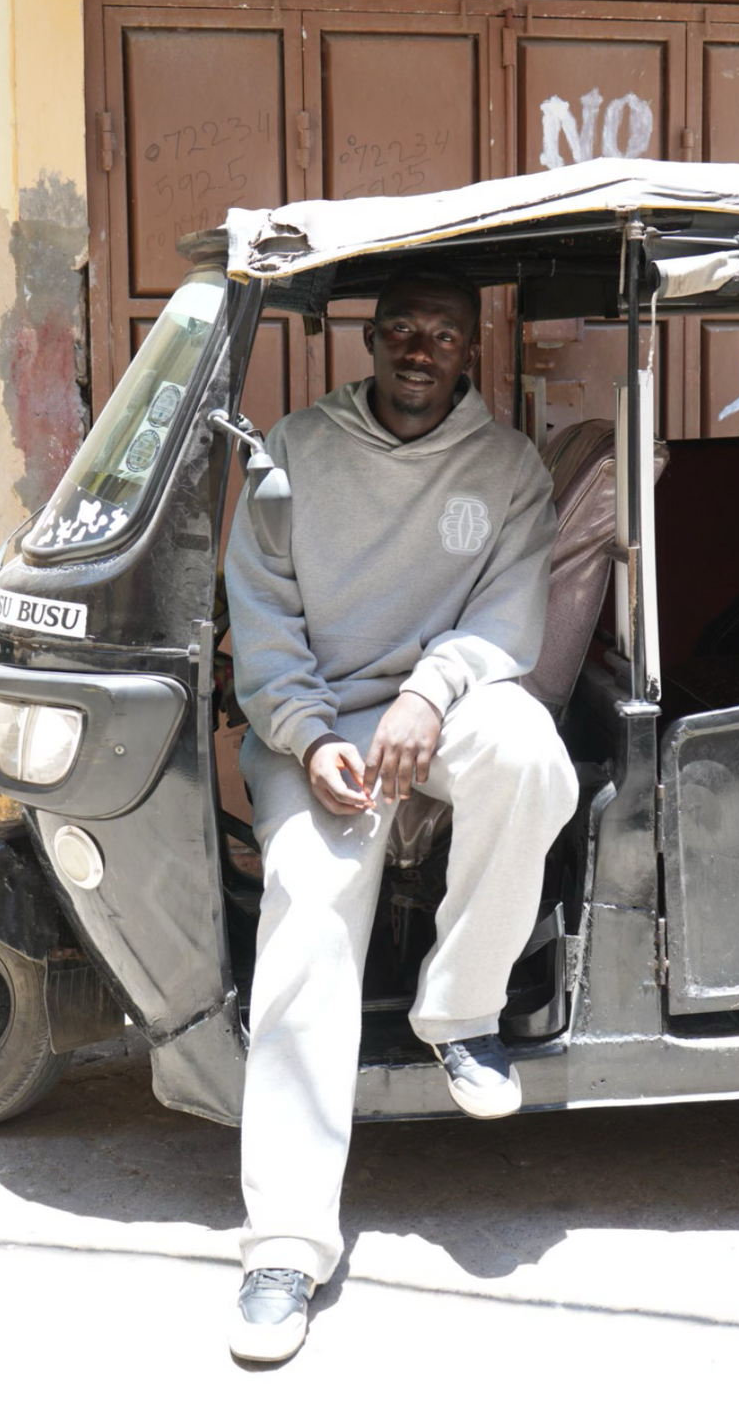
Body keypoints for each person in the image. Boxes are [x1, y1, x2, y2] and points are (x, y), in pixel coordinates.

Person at [224, 266, 579, 1362]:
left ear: (472, 349)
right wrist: (311, 737)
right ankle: (284, 1241)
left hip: (442, 703)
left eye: (442, 335)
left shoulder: (504, 465)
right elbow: (265, 627)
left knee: (530, 754)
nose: (419, 350)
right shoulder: (295, 452)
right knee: (312, 904)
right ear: (368, 342)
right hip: (322, 727)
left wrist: (432, 689)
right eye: (400, 333)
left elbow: (507, 615)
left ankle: (459, 1009)